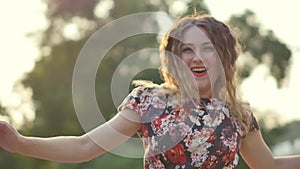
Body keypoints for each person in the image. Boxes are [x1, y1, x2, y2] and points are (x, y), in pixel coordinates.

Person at [0, 14, 300, 169]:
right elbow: (84, 147)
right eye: (187, 50)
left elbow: (269, 165)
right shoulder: (150, 102)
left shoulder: (239, 115)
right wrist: (20, 143)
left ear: (224, 58)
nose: (196, 58)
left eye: (208, 49)